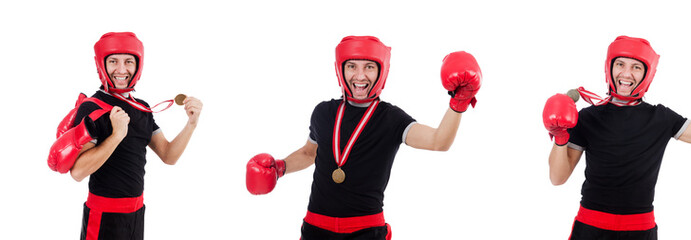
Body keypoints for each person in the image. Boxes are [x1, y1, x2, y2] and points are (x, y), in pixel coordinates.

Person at [245, 36, 481, 240]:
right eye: (352, 66)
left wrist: (458, 103)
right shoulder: (323, 112)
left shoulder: (391, 118)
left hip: (365, 230)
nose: (360, 75)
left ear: (382, 71)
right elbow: (309, 153)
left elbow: (438, 141)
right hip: (315, 227)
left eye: (369, 66)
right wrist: (280, 167)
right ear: (340, 69)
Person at [543, 36, 691, 239]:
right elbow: (557, 178)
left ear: (647, 74)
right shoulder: (588, 117)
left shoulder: (661, 118)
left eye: (636, 67)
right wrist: (560, 136)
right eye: (620, 64)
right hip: (591, 226)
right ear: (609, 67)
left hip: (639, 229)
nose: (626, 73)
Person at [47, 32, 203, 240]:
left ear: (138, 65)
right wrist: (116, 135)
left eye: (128, 61)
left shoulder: (142, 108)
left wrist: (191, 123)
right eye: (113, 61)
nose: (121, 70)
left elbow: (168, 155)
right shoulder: (92, 108)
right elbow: (77, 172)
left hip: (136, 212)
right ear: (101, 65)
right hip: (103, 215)